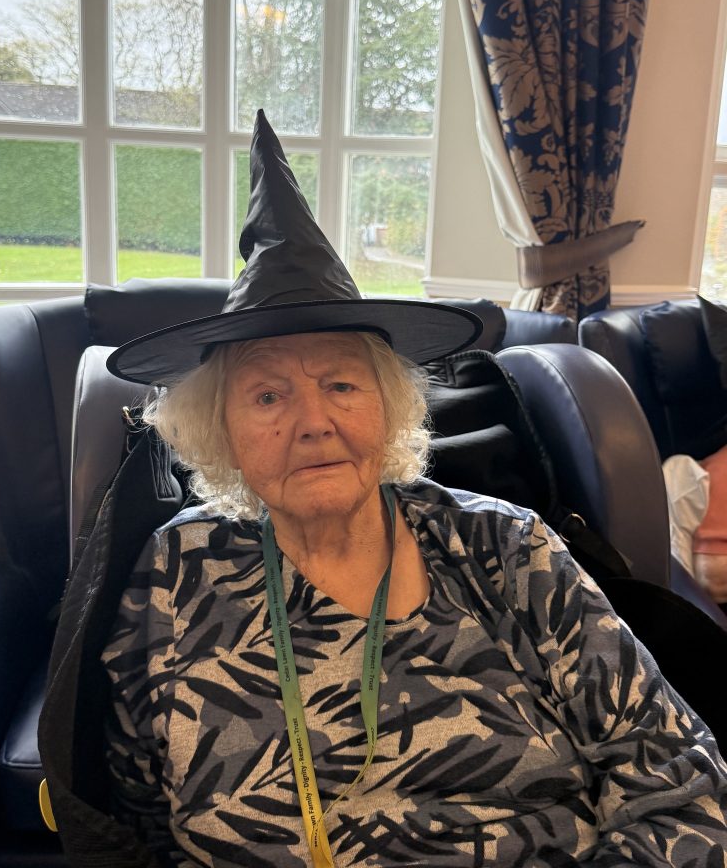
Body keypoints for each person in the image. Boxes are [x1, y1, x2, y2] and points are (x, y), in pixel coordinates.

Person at [99, 111, 727, 867]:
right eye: (267, 396)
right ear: (219, 429)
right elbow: (130, 806)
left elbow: (678, 777)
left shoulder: (505, 547)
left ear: (390, 406)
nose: (313, 422)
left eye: (341, 383)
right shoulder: (179, 571)